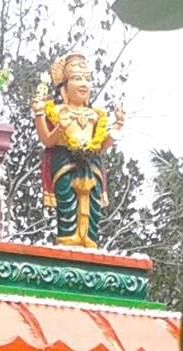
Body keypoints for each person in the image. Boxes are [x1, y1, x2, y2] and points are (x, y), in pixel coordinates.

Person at [31, 51, 123, 249]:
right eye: (77, 78)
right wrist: (46, 118)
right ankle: (68, 238)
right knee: (67, 203)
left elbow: (100, 145)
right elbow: (47, 141)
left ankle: (89, 240)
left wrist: (116, 128)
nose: (83, 84)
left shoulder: (95, 114)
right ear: (64, 88)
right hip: (65, 162)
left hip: (92, 164)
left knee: (93, 207)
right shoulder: (55, 111)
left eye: (87, 79)